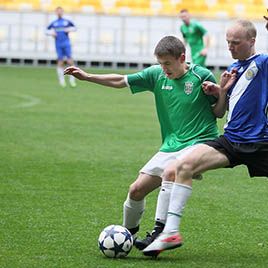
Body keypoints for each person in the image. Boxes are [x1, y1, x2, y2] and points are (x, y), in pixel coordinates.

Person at [64, 35, 225, 249]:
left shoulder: (200, 75)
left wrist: (221, 93)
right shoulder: (156, 75)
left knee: (171, 171)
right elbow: (121, 80)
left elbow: (219, 112)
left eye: (168, 63)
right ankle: (126, 236)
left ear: (182, 58)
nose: (164, 69)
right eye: (160, 63)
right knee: (136, 190)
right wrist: (88, 77)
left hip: (200, 141)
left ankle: (160, 233)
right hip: (171, 144)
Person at [143, 19, 268, 257]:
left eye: (236, 43)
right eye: (228, 42)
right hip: (231, 140)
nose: (230, 47)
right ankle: (170, 232)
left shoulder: (263, 63)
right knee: (182, 166)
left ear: (252, 41)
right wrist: (220, 92)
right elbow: (223, 111)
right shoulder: (235, 68)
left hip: (261, 142)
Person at [46, 6, 77, 88]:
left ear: (62, 12)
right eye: (58, 11)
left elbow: (75, 28)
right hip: (58, 44)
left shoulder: (66, 22)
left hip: (66, 43)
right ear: (56, 12)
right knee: (60, 62)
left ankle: (72, 80)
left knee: (70, 61)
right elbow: (46, 31)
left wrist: (69, 30)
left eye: (60, 11)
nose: (59, 12)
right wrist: (51, 33)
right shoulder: (54, 23)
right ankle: (62, 80)